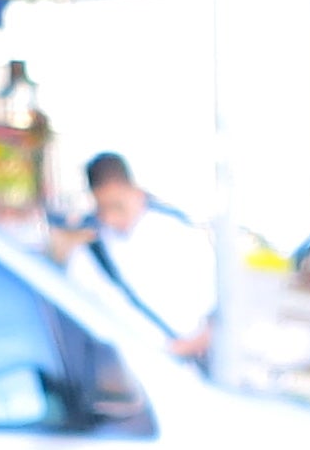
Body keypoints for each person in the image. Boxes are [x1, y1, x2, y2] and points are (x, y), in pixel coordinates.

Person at [74, 152, 215, 367]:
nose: (111, 218)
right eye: (103, 209)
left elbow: (219, 306)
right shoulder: (88, 256)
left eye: (118, 206)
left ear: (136, 193)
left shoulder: (180, 233)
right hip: (132, 378)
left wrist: (192, 345)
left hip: (191, 367)